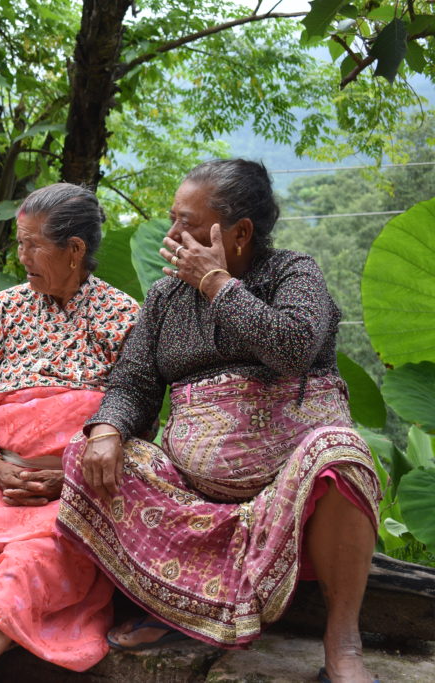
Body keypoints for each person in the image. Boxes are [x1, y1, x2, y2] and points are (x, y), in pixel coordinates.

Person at [57, 159, 380, 683]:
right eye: (172, 219)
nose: (172, 235)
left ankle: (343, 641)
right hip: (191, 492)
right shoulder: (164, 297)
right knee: (87, 452)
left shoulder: (295, 274)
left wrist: (216, 284)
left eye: (187, 223)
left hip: (291, 485)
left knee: (341, 454)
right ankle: (181, 608)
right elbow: (134, 383)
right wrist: (109, 429)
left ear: (241, 232)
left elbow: (292, 347)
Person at [0, 183, 140, 682]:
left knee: (28, 560)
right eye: (19, 242)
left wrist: (69, 474)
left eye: (34, 244)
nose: (22, 256)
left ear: (74, 250)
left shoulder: (120, 315)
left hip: (76, 494)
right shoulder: (7, 309)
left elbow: (135, 416)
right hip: (2, 487)